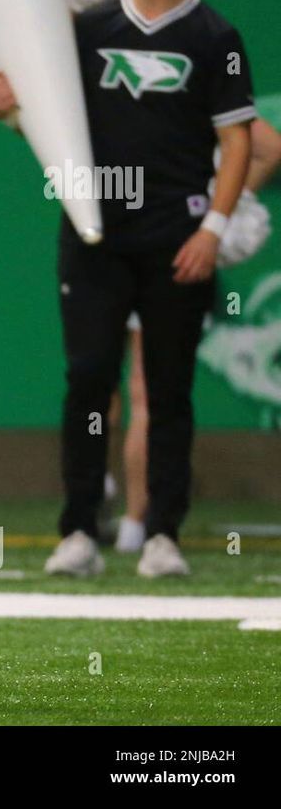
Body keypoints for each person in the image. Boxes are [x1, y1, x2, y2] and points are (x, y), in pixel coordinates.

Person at [0, 0, 254, 578]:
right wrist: (14, 113)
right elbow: (53, 120)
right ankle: (78, 529)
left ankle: (161, 532)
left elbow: (238, 140)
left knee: (168, 388)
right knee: (87, 379)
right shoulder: (89, 27)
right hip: (94, 231)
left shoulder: (215, 39)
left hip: (176, 236)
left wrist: (212, 230)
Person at [108, 116, 281, 553]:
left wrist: (223, 210)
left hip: (124, 240)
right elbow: (268, 149)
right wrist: (226, 207)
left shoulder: (120, 68)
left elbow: (268, 148)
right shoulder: (197, 75)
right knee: (140, 392)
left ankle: (119, 513)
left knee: (114, 385)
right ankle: (134, 521)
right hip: (165, 238)